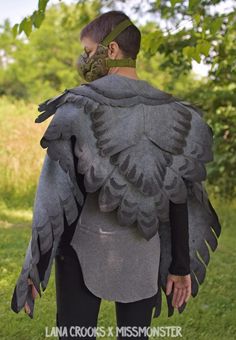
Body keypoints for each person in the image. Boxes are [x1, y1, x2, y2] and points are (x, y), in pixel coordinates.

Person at [11, 10, 221, 340]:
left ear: (111, 50)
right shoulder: (176, 114)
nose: (84, 59)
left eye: (88, 50)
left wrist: (34, 267)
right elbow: (177, 195)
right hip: (144, 252)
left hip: (81, 250)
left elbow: (55, 195)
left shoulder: (77, 106)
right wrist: (180, 266)